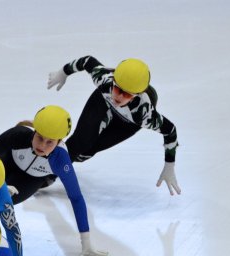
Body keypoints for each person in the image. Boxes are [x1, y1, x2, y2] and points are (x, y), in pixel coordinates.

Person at [0, 105, 108, 256]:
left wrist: (86, 240)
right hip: (8, 163)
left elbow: (76, 198)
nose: (42, 145)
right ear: (34, 131)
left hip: (31, 180)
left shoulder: (61, 160)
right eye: (40, 138)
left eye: (50, 142)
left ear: (59, 142)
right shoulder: (18, 135)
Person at [47, 56, 181, 195]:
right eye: (117, 89)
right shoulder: (105, 80)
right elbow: (87, 61)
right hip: (103, 101)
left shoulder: (143, 114)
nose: (119, 97)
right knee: (79, 142)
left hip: (127, 122)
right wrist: (63, 72)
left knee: (85, 154)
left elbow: (170, 131)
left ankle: (58, 156)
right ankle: (47, 174)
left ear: (137, 96)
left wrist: (169, 166)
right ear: (113, 81)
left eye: (127, 95)